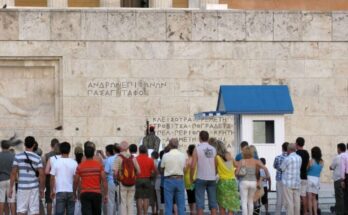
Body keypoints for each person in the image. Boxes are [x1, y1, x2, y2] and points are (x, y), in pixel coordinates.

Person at [9, 136, 45, 215]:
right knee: (34, 211)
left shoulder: (17, 157)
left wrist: (11, 187)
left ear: (25, 144)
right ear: (34, 145)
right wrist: (42, 189)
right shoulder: (38, 158)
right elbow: (42, 175)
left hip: (22, 187)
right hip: (34, 187)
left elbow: (13, 173)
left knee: (21, 211)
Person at [74, 145, 108, 215]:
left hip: (85, 193)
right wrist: (106, 194)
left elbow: (76, 181)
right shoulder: (99, 165)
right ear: (93, 154)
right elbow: (104, 180)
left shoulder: (80, 166)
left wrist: (74, 193)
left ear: (85, 155)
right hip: (97, 193)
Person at [191, 131, 217, 215]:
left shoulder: (197, 149)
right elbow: (216, 164)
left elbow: (193, 166)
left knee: (200, 204)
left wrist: (191, 178)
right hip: (212, 178)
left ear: (200, 138)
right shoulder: (213, 149)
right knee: (213, 203)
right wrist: (214, 174)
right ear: (208, 138)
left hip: (201, 177)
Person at [236, 146, 269, 215]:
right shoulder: (256, 161)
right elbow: (265, 168)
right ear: (251, 153)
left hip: (244, 182)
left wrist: (238, 177)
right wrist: (267, 176)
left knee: (244, 202)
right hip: (253, 182)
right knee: (250, 201)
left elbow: (237, 173)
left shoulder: (242, 161)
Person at [210, 139, 240, 215]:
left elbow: (215, 171)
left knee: (222, 205)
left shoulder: (216, 157)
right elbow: (236, 165)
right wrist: (235, 172)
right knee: (231, 205)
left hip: (222, 182)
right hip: (232, 182)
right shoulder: (228, 155)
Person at [50, 142, 78, 215]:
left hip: (59, 191)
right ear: (69, 150)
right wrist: (75, 192)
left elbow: (52, 178)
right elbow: (76, 179)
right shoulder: (74, 163)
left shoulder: (56, 162)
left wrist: (52, 190)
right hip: (71, 191)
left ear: (60, 150)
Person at [113, 141, 140, 215]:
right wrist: (133, 177)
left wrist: (117, 179)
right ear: (128, 148)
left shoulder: (118, 158)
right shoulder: (133, 158)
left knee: (123, 203)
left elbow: (115, 172)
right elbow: (139, 171)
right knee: (130, 203)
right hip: (132, 183)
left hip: (122, 183)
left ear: (120, 148)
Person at [161, 138, 186, 215]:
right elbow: (184, 168)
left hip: (169, 180)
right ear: (177, 145)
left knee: (168, 204)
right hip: (180, 179)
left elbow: (162, 168)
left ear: (169, 145)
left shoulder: (165, 155)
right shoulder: (182, 155)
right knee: (181, 205)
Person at [281, 143, 302, 215]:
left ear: (288, 150)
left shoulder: (287, 159)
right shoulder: (299, 158)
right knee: (297, 202)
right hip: (297, 182)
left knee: (289, 202)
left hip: (288, 183)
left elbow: (282, 168)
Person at [135, 145, 157, 215]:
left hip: (138, 179)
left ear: (139, 150)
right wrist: (152, 177)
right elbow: (154, 171)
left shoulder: (135, 159)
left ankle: (140, 213)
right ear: (146, 151)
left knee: (139, 198)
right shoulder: (150, 160)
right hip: (147, 179)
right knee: (146, 198)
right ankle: (145, 213)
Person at [43, 138, 60, 215]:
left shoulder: (46, 156)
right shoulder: (62, 156)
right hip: (59, 180)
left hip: (49, 179)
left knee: (49, 200)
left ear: (51, 145)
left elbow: (44, 170)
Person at [307, 147, 324, 215]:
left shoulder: (311, 161)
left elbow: (306, 169)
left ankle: (311, 213)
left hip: (309, 179)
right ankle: (316, 213)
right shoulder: (322, 162)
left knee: (309, 198)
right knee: (314, 198)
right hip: (317, 179)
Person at [0, 140, 15, 215]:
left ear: (1, 146)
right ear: (9, 146)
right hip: (11, 180)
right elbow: (15, 169)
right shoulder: (13, 156)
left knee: (1, 201)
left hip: (1, 179)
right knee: (11, 201)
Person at [273, 142, 289, 215]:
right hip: (288, 180)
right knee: (288, 198)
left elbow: (274, 166)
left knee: (279, 198)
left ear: (282, 148)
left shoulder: (277, 157)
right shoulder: (290, 158)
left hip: (279, 179)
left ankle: (277, 213)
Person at [330, 143, 345, 215]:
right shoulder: (346, 156)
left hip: (338, 179)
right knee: (344, 195)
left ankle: (340, 212)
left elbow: (331, 167)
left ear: (339, 148)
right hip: (345, 178)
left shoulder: (338, 157)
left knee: (339, 196)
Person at [295, 137, 310, 215]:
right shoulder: (306, 153)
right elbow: (307, 165)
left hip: (297, 176)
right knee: (304, 195)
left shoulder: (296, 153)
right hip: (304, 176)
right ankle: (305, 212)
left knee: (297, 195)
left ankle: (297, 212)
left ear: (297, 143)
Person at [103, 144, 117, 215]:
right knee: (119, 202)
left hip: (111, 181)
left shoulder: (109, 159)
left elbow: (106, 171)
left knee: (111, 202)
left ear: (108, 152)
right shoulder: (120, 157)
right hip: (121, 182)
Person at [184, 145, 196, 215]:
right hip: (195, 179)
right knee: (193, 195)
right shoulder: (196, 160)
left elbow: (185, 171)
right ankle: (193, 210)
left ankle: (192, 211)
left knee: (190, 195)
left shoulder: (187, 160)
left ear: (188, 152)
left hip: (188, 180)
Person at [151, 151, 160, 215]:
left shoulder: (152, 162)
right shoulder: (159, 162)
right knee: (157, 198)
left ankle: (153, 211)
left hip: (152, 181)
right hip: (158, 181)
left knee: (153, 198)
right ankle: (157, 210)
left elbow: (152, 172)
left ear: (152, 156)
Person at [340, 142, 348, 214]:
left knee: (346, 196)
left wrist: (342, 180)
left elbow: (342, 168)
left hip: (347, 176)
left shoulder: (344, 155)